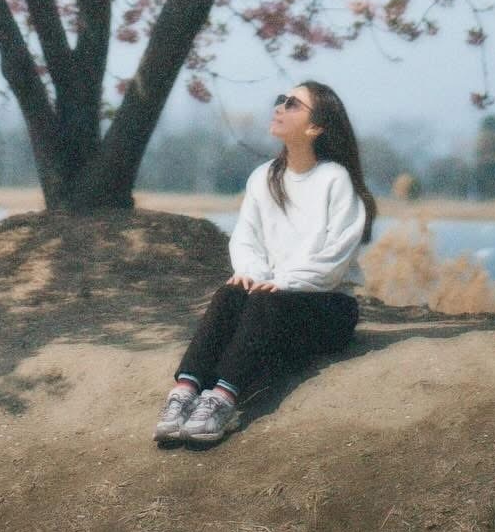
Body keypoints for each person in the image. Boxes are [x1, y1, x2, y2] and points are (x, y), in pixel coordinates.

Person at [155, 79, 378, 447]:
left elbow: (336, 255)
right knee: (230, 294)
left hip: (327, 308)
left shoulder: (335, 180)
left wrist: (285, 281)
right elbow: (246, 238)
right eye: (281, 100)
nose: (279, 108)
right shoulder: (263, 178)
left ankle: (221, 400)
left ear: (316, 127)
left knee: (265, 301)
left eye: (292, 104)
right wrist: (254, 275)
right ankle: (183, 393)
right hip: (271, 300)